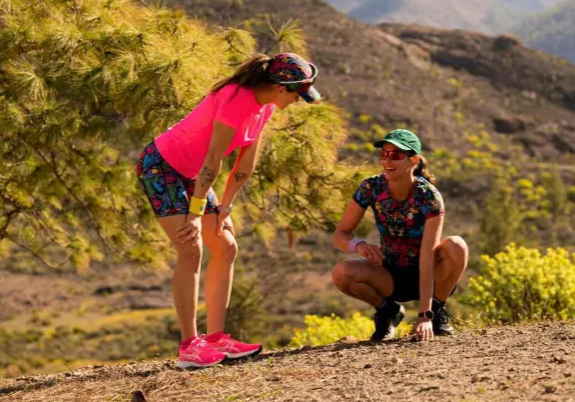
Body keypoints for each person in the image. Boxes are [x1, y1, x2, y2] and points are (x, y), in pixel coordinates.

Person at [136, 53, 322, 368]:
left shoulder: (265, 108)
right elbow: (213, 160)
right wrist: (195, 215)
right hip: (162, 167)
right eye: (296, 94)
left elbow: (244, 165)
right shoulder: (235, 100)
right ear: (280, 88)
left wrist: (225, 205)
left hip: (193, 173)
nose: (297, 101)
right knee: (190, 247)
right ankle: (189, 347)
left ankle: (216, 338)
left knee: (224, 245)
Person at [331, 129, 469, 342]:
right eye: (384, 154)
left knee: (457, 245)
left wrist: (425, 314)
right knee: (342, 272)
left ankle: (438, 311)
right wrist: (359, 245)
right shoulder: (370, 187)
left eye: (395, 155)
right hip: (390, 275)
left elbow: (427, 256)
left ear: (413, 160)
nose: (387, 160)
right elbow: (340, 235)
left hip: (430, 274)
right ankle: (388, 312)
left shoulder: (429, 197)